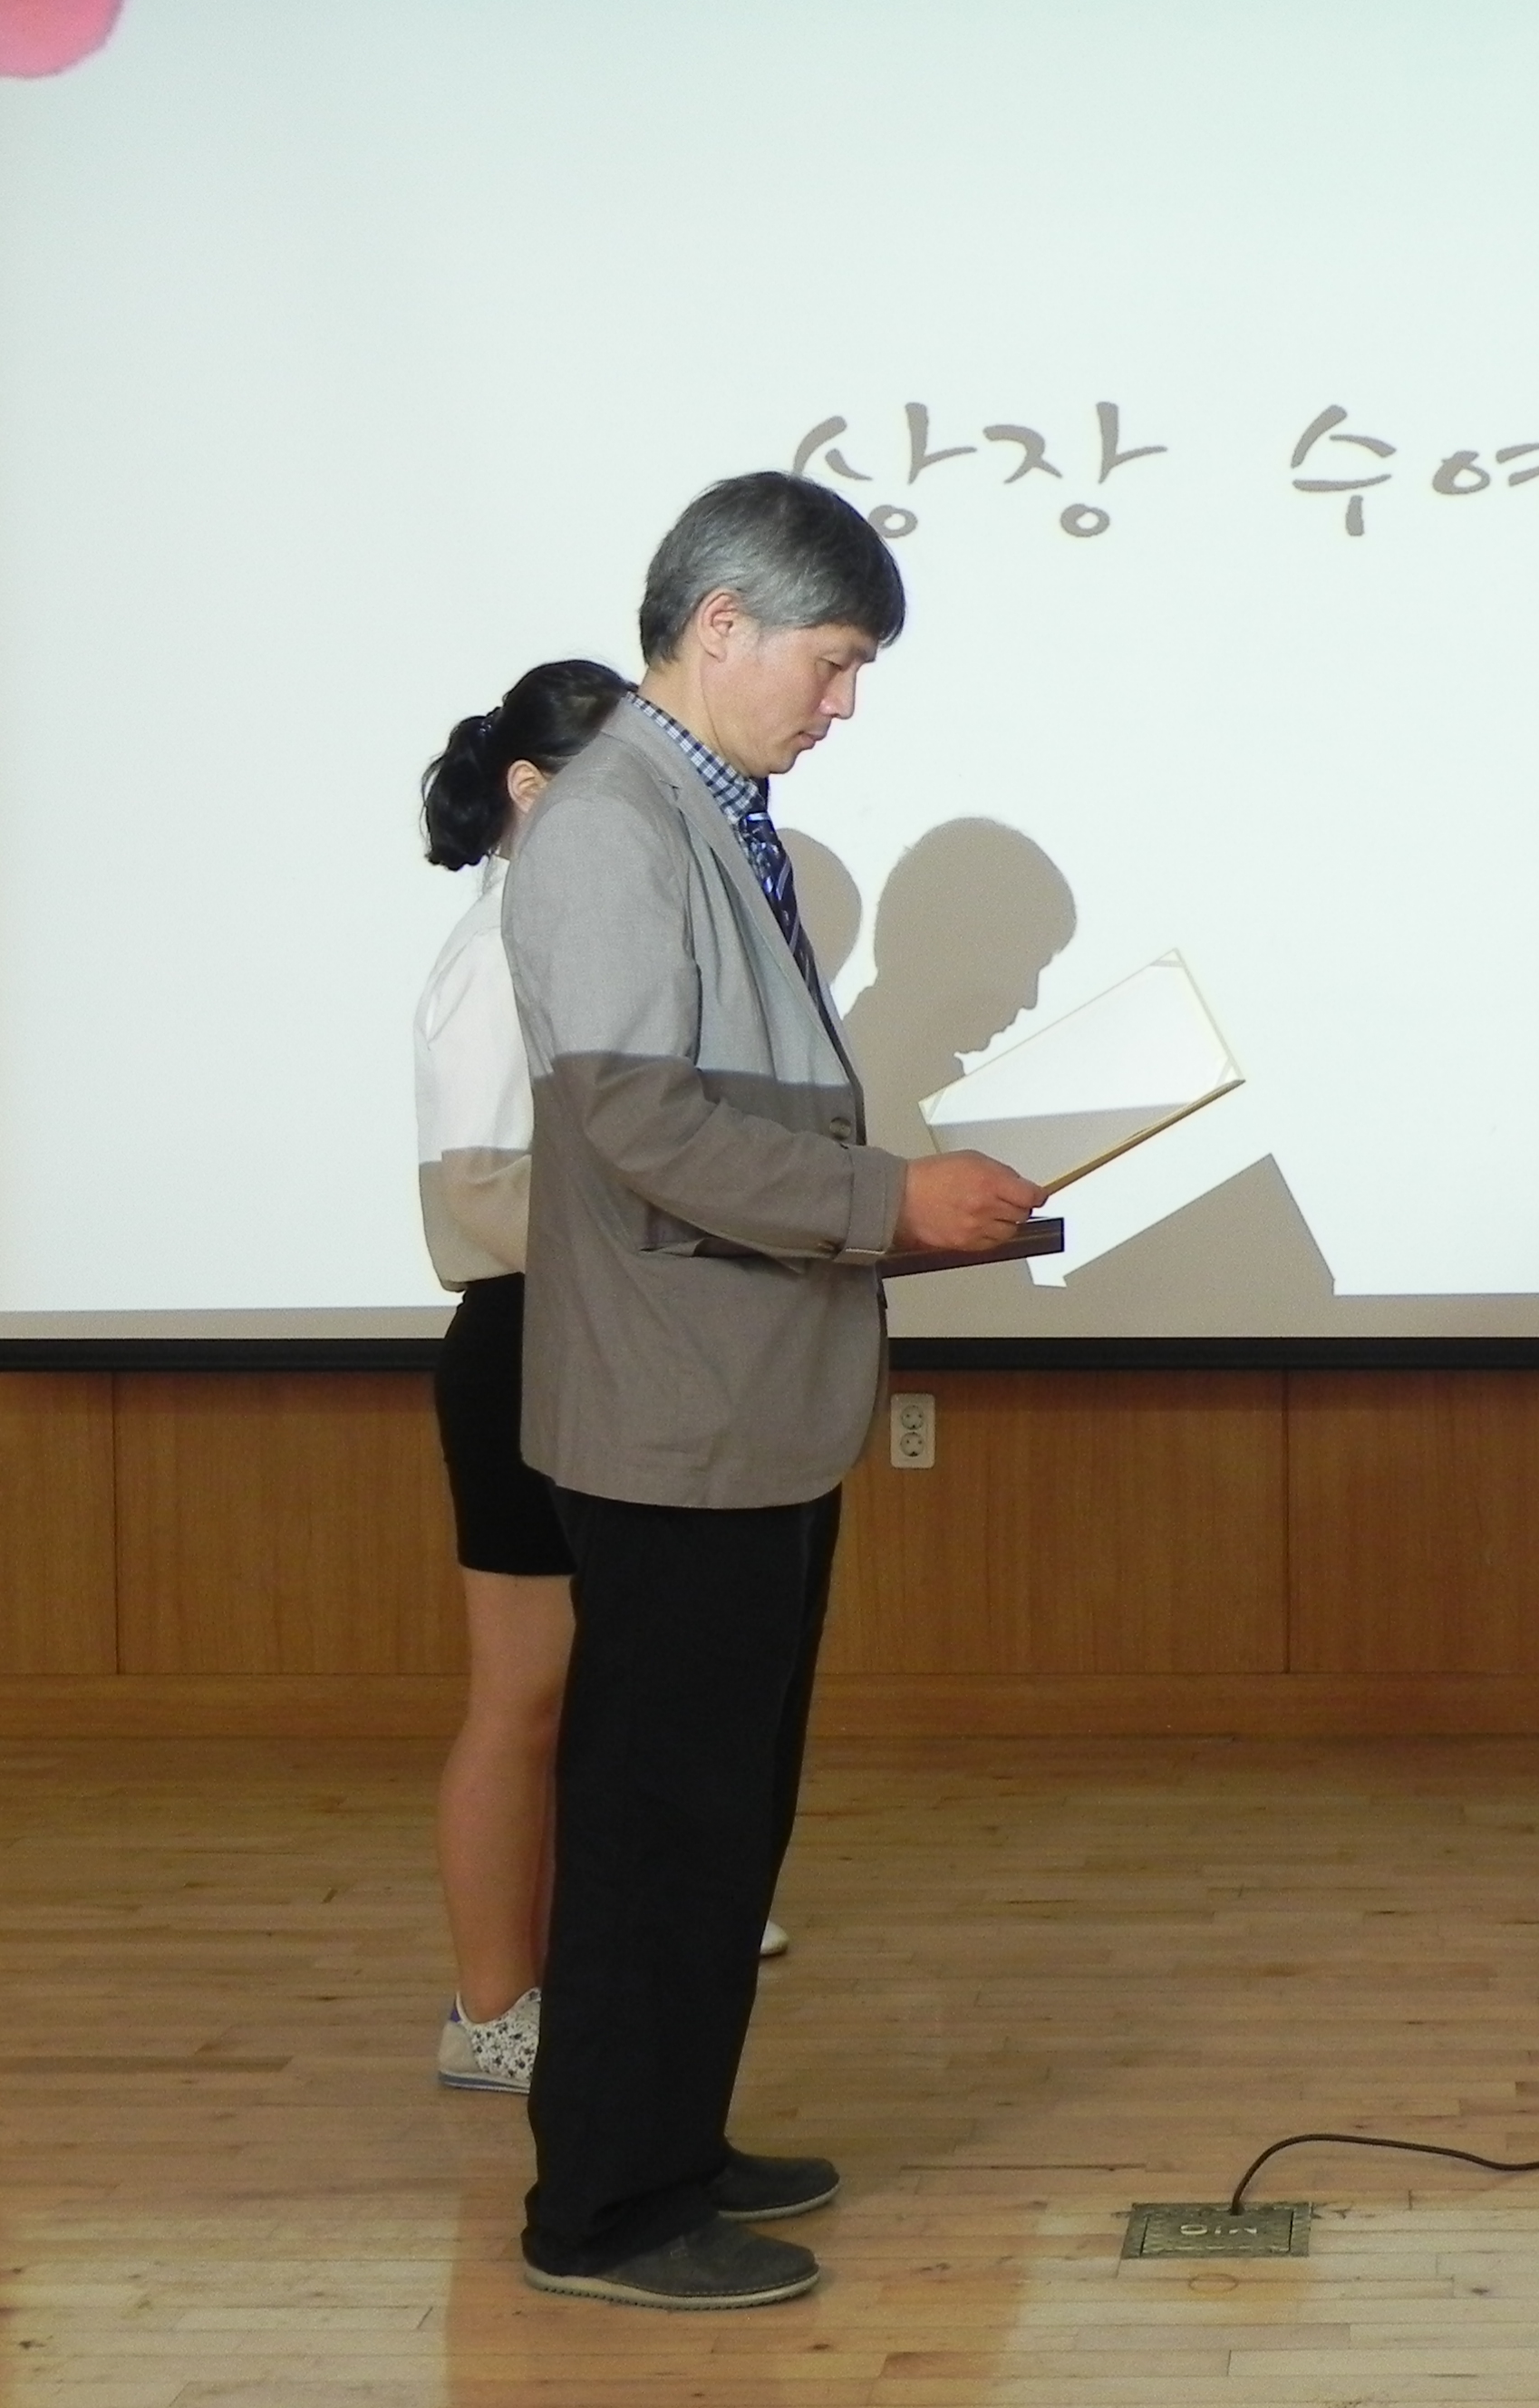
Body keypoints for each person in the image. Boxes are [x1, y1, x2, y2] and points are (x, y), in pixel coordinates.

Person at [503, 473, 1041, 2310]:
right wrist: (890, 1204)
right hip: (679, 1412)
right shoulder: (612, 826)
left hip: (740, 1399)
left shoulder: (699, 814)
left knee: (719, 1812)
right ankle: (606, 2209)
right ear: (718, 625)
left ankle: (672, 2139)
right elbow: (643, 1126)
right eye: (833, 660)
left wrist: (900, 1211)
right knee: (660, 1821)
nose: (844, 704)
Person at [411, 661, 799, 2102]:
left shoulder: (582, 932)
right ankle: (492, 2010)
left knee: (622, 1688)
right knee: (524, 1697)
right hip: (534, 1339)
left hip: (615, 1335)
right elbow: (479, 1194)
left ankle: (625, 1944)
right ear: (532, 792)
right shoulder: (497, 949)